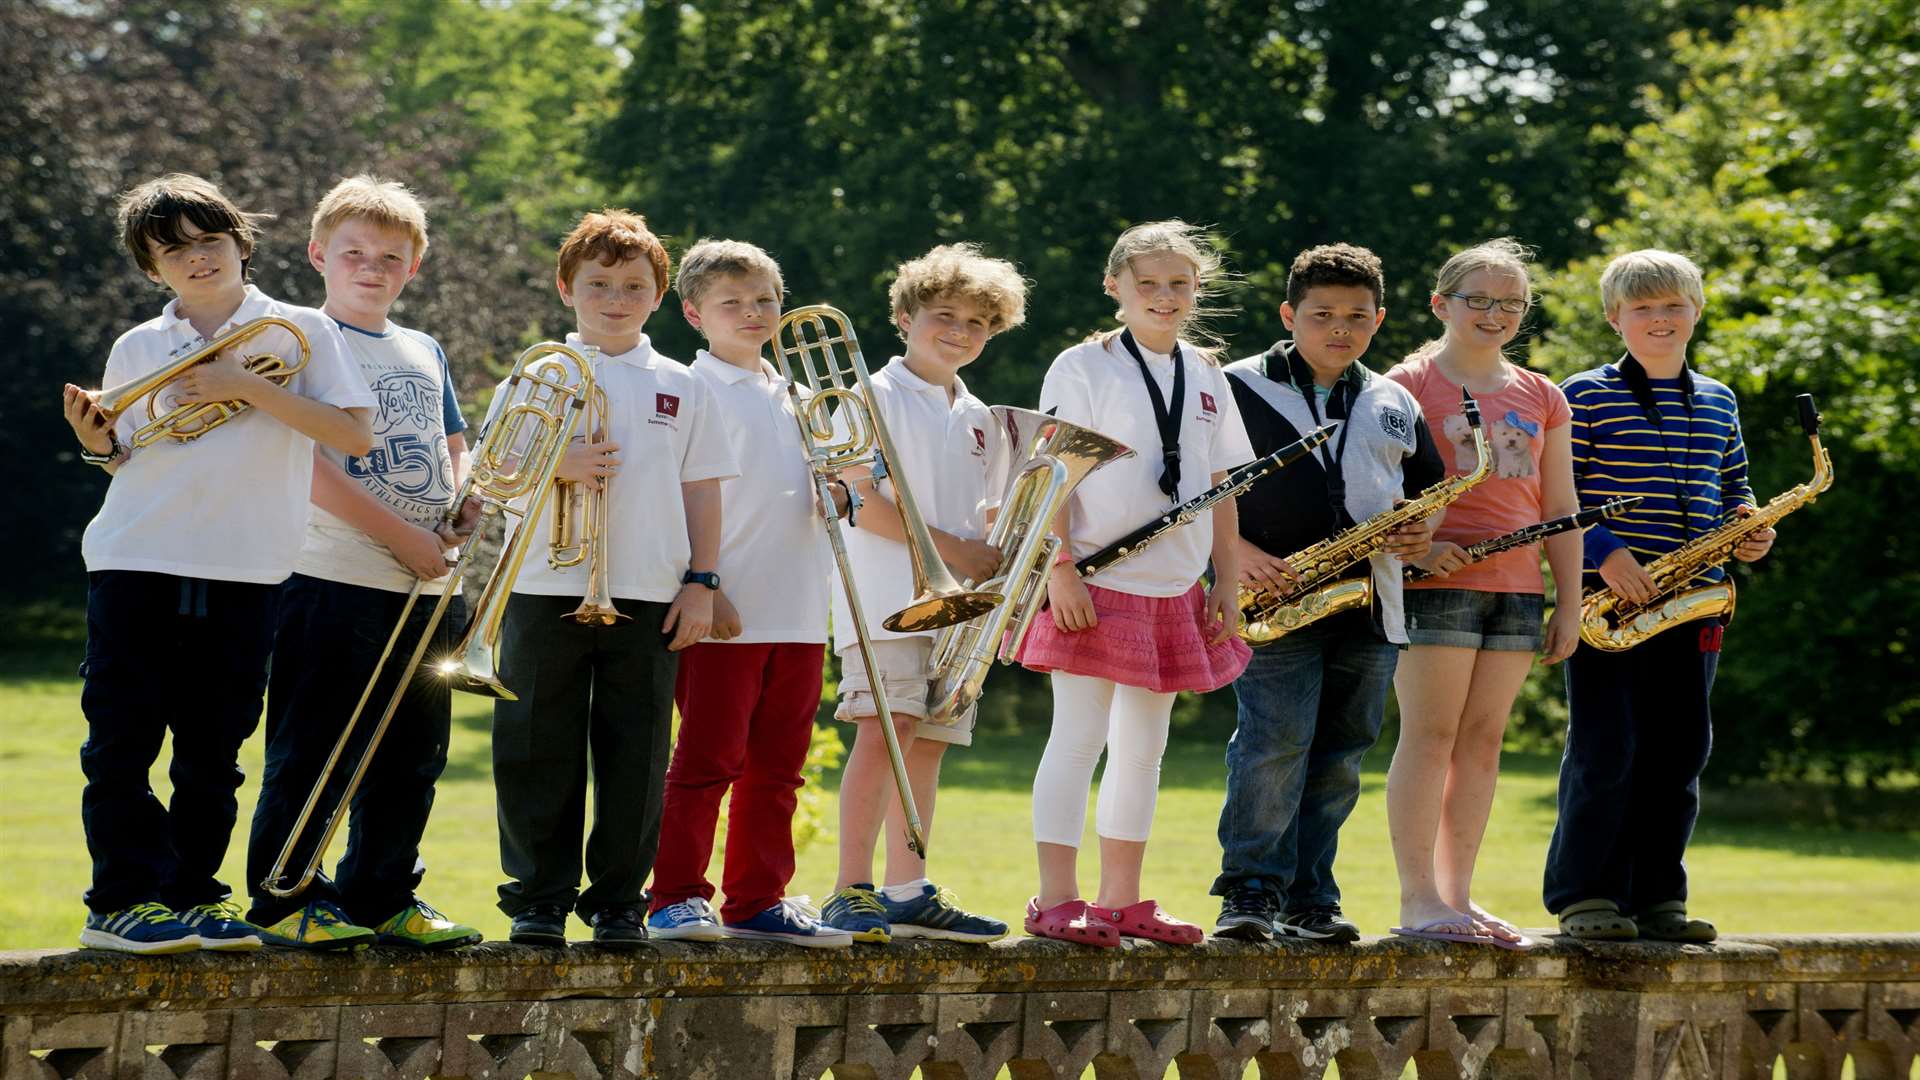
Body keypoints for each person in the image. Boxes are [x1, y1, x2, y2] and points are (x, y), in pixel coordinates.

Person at [61, 173, 374, 954]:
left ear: (241, 243)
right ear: (151, 267)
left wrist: (244, 386)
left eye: (211, 240)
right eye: (175, 250)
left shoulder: (301, 331)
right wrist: (96, 440)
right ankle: (121, 900)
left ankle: (194, 894)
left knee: (214, 752)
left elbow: (353, 436)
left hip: (247, 567)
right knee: (122, 741)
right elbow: (129, 452)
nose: (197, 258)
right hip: (136, 557)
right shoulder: (140, 342)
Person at [242, 175, 483, 951]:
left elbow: (454, 446)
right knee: (315, 750)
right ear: (318, 255)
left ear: (413, 267)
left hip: (427, 584)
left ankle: (383, 894)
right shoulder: (300, 338)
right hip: (331, 576)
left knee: (412, 756)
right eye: (353, 253)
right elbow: (307, 465)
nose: (371, 268)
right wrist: (401, 536)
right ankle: (288, 899)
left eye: (389, 256)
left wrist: (467, 499)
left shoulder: (425, 347)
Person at [492, 209, 738, 948]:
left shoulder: (683, 385)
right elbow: (495, 478)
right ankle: (538, 897)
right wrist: (554, 466)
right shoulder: (536, 371)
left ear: (658, 295)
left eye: (633, 286)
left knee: (636, 753)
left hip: (648, 590)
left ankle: (619, 901)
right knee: (535, 746)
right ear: (567, 287)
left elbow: (702, 489)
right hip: (544, 585)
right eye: (598, 284)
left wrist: (704, 579)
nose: (615, 298)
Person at [1017, 220, 1256, 946]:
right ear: (1113, 286)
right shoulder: (1081, 366)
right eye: (1147, 282)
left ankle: (1122, 903)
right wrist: (1059, 568)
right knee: (1077, 739)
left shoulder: (1209, 372)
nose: (1164, 295)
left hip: (1175, 587)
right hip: (1093, 576)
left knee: (1144, 749)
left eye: (1179, 283)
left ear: (1196, 291)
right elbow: (1053, 470)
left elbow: (1219, 482)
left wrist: (1225, 576)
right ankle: (1056, 901)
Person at [1211, 243, 1443, 944]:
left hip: (1371, 602)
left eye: (1356, 316)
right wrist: (1238, 555)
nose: (1339, 329)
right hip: (1274, 600)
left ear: (1378, 319)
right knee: (1272, 744)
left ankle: (1313, 897)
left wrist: (1420, 531)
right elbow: (1196, 491)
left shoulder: (1392, 397)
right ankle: (1250, 893)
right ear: (1289, 315)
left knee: (1341, 755)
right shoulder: (1233, 386)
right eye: (1322, 315)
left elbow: (1426, 491)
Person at [1544, 249, 1771, 943]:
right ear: (1616, 318)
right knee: (1606, 748)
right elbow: (1562, 494)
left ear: (1696, 312)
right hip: (1609, 601)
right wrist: (1608, 557)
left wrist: (1750, 529)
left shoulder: (1720, 398)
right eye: (1643, 308)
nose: (1660, 318)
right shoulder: (1583, 394)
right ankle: (1586, 895)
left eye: (1673, 305)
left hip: (1692, 598)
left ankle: (1657, 899)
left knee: (1680, 751)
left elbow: (1734, 487)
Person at [816, 243, 1024, 945]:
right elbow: (859, 503)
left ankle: (907, 889)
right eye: (944, 316)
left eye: (978, 322)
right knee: (886, 731)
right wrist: (956, 550)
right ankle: (850, 887)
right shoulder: (865, 396)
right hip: (882, 597)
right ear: (905, 316)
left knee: (928, 743)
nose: (961, 332)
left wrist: (1000, 547)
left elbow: (983, 517)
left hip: (959, 608)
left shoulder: (982, 418)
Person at [644, 239, 850, 948]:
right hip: (723, 607)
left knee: (778, 769)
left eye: (765, 299)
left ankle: (757, 898)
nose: (754, 313)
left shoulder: (800, 394)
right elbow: (672, 496)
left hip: (799, 609)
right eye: (732, 302)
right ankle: (673, 896)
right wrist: (705, 584)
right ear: (695, 312)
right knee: (706, 761)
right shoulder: (688, 388)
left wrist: (844, 490)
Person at [1381, 238, 1576, 949]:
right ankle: (1417, 900)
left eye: (1511, 303)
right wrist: (1421, 548)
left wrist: (1570, 603)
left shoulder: (1543, 395)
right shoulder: (1404, 384)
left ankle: (1457, 897)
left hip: (1518, 591)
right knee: (1429, 737)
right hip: (1435, 586)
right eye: (1479, 300)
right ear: (1441, 304)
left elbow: (1559, 506)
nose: (1495, 314)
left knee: (1484, 743)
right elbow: (1378, 494)